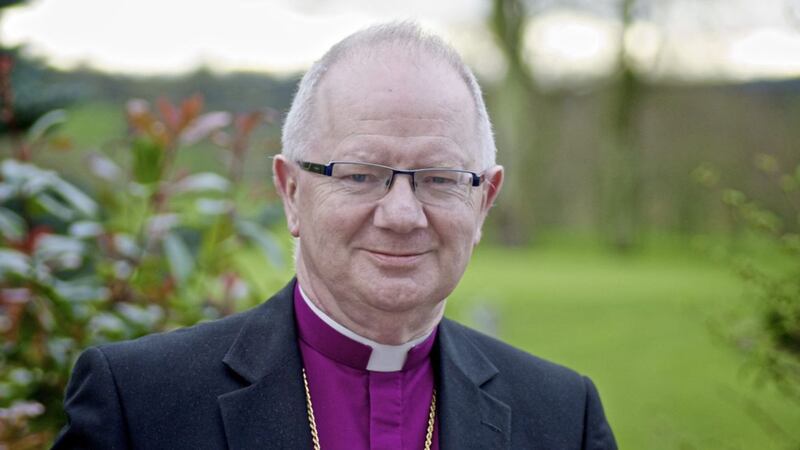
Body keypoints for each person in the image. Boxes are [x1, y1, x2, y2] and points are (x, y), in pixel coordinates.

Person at [53, 22, 616, 449]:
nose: (402, 215)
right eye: (360, 175)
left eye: (440, 179)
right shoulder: (141, 404)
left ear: (485, 200)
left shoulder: (564, 417)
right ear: (291, 192)